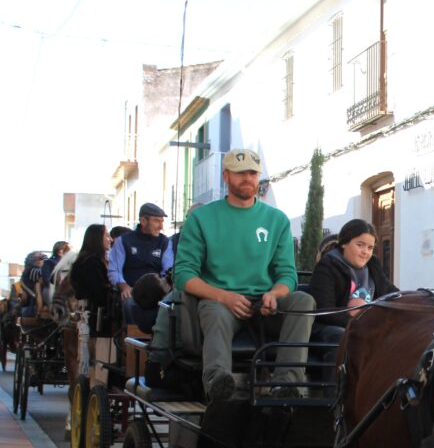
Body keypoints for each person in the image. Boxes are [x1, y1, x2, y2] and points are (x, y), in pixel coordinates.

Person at [174, 147, 315, 402]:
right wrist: (223, 297)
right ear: (226, 176)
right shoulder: (201, 218)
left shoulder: (277, 220)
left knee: (304, 301)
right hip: (220, 301)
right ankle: (218, 382)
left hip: (265, 303)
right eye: (240, 173)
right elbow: (183, 275)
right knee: (214, 311)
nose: (247, 178)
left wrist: (275, 294)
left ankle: (287, 385)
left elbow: (287, 274)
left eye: (252, 173)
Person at [307, 219, 396, 333]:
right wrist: (365, 323)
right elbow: (326, 312)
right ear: (344, 243)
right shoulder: (327, 266)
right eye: (360, 245)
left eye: (370, 248)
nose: (365, 252)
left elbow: (390, 292)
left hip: (369, 324)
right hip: (334, 329)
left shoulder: (373, 264)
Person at [109, 204, 173, 299]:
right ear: (143, 221)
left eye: (162, 221)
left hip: (157, 292)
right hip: (130, 291)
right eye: (156, 221)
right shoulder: (123, 241)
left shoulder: (165, 242)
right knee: (130, 304)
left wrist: (162, 288)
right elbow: (115, 270)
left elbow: (167, 270)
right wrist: (124, 287)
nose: (161, 226)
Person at [70, 223, 113, 333]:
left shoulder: (88, 260)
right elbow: (98, 291)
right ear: (97, 238)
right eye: (107, 236)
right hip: (94, 316)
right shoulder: (91, 262)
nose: (110, 239)